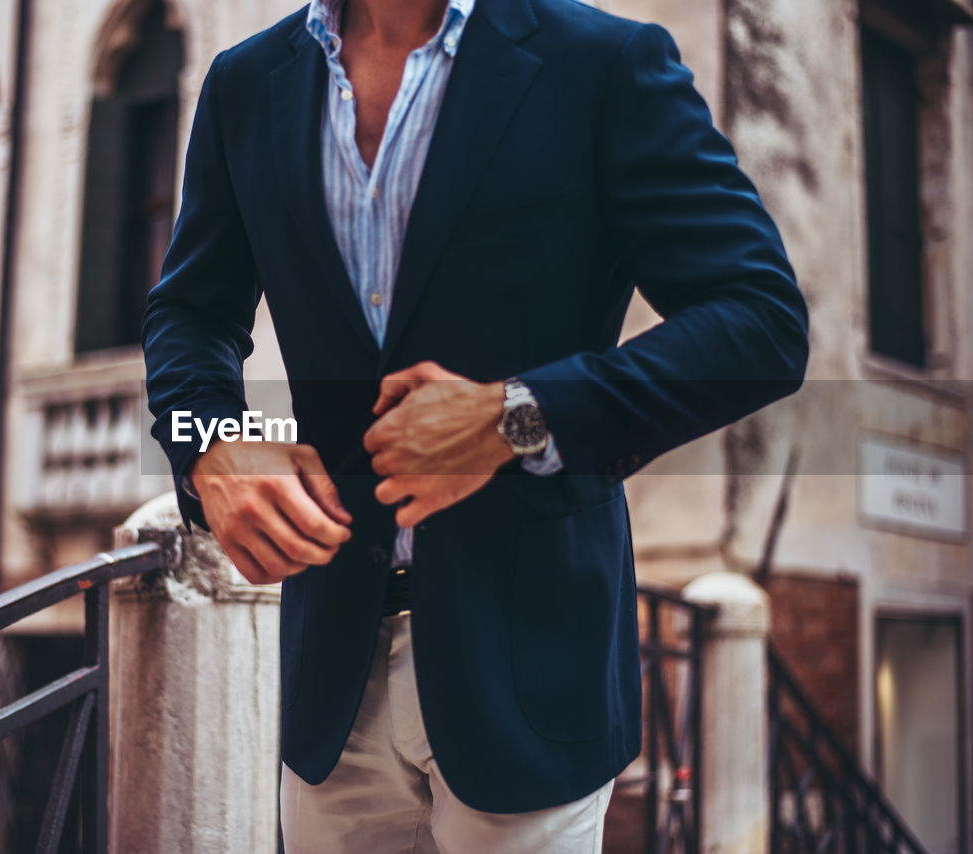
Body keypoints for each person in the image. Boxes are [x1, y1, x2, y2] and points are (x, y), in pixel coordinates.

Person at [142, 0, 808, 848]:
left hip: (530, 669)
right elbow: (193, 313)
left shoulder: (605, 62)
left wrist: (517, 417)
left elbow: (761, 321)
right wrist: (211, 447)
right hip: (330, 678)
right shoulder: (246, 82)